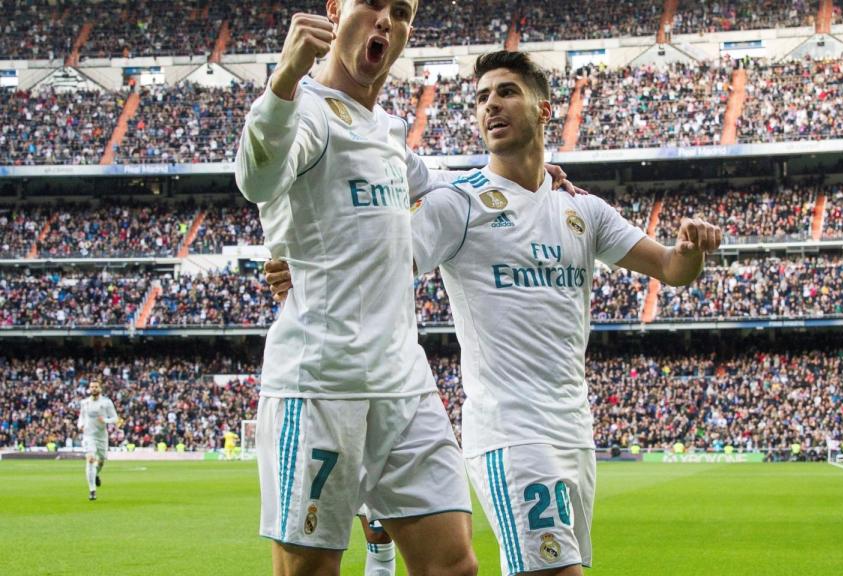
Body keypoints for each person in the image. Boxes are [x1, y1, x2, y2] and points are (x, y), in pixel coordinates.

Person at [268, 50, 722, 576]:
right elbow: (382, 260)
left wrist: (690, 249)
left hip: (573, 431)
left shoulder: (584, 210)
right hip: (510, 430)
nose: (491, 106)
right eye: (482, 97)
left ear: (545, 110)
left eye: (506, 92)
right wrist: (308, 266)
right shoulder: (459, 204)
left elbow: (669, 268)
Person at [234, 2, 480, 574]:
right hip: (323, 384)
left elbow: (446, 186)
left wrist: (529, 180)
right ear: (334, 10)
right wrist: (285, 78)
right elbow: (256, 177)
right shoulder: (308, 112)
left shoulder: (387, 130)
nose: (387, 19)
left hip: (403, 383)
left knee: (454, 565)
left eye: (403, 10)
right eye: (372, 2)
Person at [77, 381, 119, 501]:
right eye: (91, 387)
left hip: (101, 436)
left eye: (96, 387)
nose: (93, 389)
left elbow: (115, 418)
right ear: (89, 389)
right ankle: (92, 491)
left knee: (100, 461)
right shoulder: (84, 402)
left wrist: (105, 420)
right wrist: (80, 425)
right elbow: (81, 416)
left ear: (100, 388)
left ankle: (96, 474)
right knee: (90, 459)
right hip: (88, 435)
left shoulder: (106, 402)